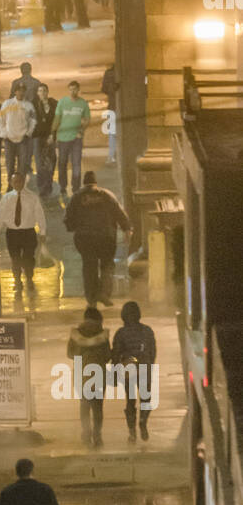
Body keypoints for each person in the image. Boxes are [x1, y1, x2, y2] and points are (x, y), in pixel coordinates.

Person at [64, 170, 131, 306]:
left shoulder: (77, 197)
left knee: (89, 266)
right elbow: (119, 213)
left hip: (85, 238)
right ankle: (104, 294)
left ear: (84, 183)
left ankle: (91, 298)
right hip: (106, 237)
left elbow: (68, 220)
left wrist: (74, 227)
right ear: (96, 182)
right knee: (107, 265)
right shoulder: (107, 195)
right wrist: (127, 229)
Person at [0, 172, 46, 299]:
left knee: (28, 257)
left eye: (20, 181)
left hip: (28, 232)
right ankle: (17, 280)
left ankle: (29, 277)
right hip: (12, 233)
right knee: (15, 258)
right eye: (15, 182)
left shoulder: (32, 197)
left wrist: (42, 232)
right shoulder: (6, 199)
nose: (18, 184)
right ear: (11, 183)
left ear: (23, 182)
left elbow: (40, 215)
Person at [111, 301, 157, 443]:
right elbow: (153, 350)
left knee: (130, 401)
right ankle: (143, 420)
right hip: (144, 367)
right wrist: (150, 365)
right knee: (145, 399)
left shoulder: (120, 333)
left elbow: (116, 354)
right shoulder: (148, 330)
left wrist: (115, 371)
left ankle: (132, 433)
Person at [68, 306, 112, 448]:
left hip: (82, 374)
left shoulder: (76, 334)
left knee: (84, 405)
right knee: (97, 407)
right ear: (98, 319)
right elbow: (107, 356)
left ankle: (86, 434)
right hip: (98, 373)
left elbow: (70, 354)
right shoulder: (102, 335)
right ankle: (97, 435)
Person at [51, 79, 90, 199]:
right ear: (69, 90)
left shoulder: (83, 103)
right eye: (71, 89)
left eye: (75, 89)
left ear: (78, 90)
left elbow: (87, 120)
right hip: (63, 138)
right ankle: (63, 187)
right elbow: (57, 118)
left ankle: (76, 188)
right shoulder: (62, 102)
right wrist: (53, 133)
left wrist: (81, 131)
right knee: (62, 163)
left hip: (76, 139)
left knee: (76, 164)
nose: (73, 91)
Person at [0, 83, 36, 188]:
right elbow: (1, 119)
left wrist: (28, 133)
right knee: (10, 165)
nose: (21, 92)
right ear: (15, 92)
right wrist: (4, 133)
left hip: (23, 140)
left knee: (22, 166)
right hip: (9, 140)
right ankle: (10, 186)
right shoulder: (7, 104)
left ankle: (21, 187)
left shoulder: (29, 106)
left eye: (23, 90)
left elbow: (33, 121)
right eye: (18, 90)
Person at [32, 83, 57, 198]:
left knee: (51, 162)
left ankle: (49, 184)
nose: (42, 93)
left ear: (47, 92)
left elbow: (57, 120)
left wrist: (52, 135)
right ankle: (42, 188)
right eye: (40, 91)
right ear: (37, 93)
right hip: (37, 137)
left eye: (44, 91)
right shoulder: (34, 105)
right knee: (40, 163)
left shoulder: (54, 104)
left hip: (50, 136)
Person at [101, 64, 118, 166]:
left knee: (112, 133)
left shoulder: (109, 73)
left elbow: (104, 89)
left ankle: (111, 156)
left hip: (112, 106)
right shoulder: (128, 71)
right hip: (125, 107)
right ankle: (113, 156)